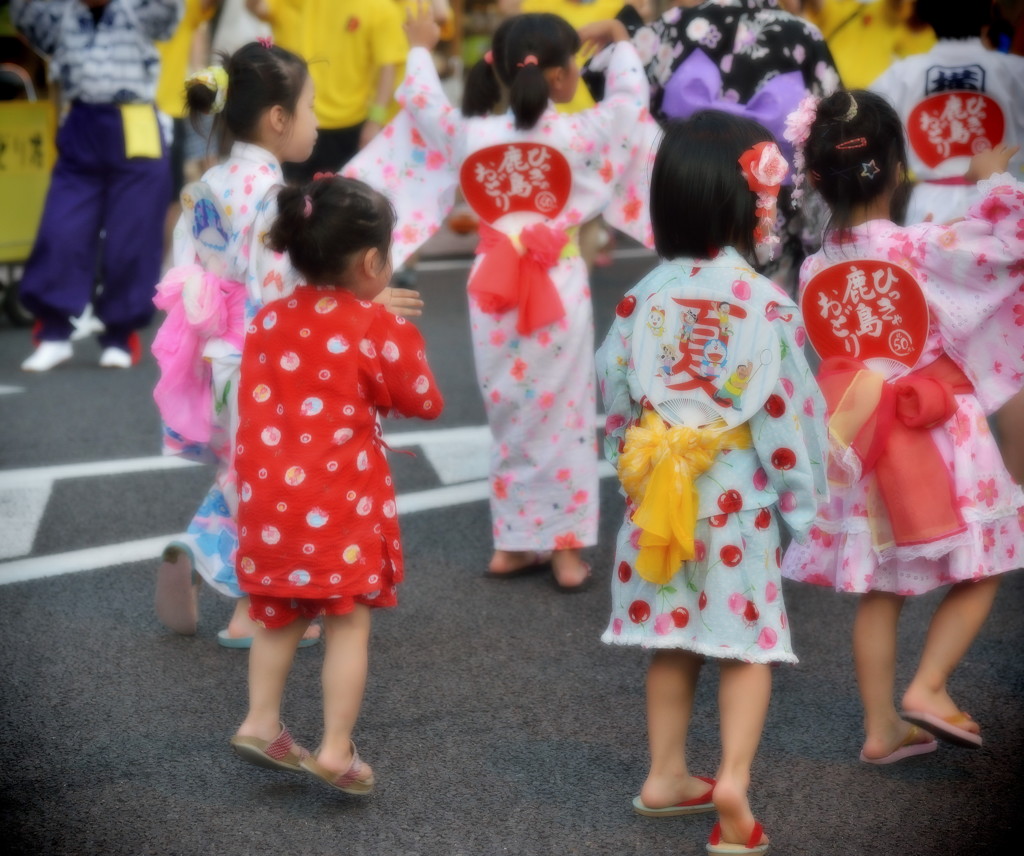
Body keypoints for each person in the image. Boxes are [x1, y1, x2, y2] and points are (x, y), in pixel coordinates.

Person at [346, 7, 656, 590]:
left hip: (492, 285)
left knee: (509, 409)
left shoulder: (474, 134)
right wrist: (618, 39)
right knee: (563, 414)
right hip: (554, 280)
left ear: (501, 71)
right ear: (562, 77)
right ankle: (563, 548)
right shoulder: (580, 132)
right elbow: (628, 103)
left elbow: (422, 103)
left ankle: (515, 542)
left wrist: (421, 46)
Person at [597, 112, 828, 855]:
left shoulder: (641, 297)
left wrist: (627, 467)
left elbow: (614, 391)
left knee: (674, 638)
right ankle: (731, 777)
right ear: (749, 204)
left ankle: (666, 773)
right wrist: (805, 511)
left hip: (660, 497)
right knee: (745, 647)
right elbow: (788, 419)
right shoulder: (767, 305)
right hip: (736, 507)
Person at [151, 39, 422, 646]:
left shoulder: (205, 186)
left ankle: (227, 580)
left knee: (247, 471)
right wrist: (360, 305)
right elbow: (281, 296)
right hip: (262, 360)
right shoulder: (275, 201)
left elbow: (185, 268)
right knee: (270, 480)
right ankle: (236, 589)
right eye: (312, 107)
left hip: (211, 352)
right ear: (278, 119)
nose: (318, 121)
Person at [781, 89, 1024, 764]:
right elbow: (1008, 244)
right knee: (988, 562)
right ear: (895, 171)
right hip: (938, 432)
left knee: (881, 591)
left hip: (864, 436)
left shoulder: (815, 268)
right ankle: (929, 685)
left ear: (820, 180)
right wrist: (993, 180)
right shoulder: (922, 248)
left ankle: (882, 727)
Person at [229, 174, 443, 792]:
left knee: (279, 616)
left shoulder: (268, 319)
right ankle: (334, 748)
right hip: (338, 500)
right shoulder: (374, 327)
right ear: (373, 260)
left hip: (268, 500)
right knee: (347, 622)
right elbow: (422, 400)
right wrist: (390, 329)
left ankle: (261, 719)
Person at [589, 0, 841, 295]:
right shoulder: (802, 34)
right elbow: (833, 127)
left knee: (685, 303)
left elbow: (613, 81)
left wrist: (625, 21)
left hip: (691, 189)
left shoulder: (674, 25)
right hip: (771, 203)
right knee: (768, 308)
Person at [12, 0, 183, 372]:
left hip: (135, 121)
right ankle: (54, 332)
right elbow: (25, 15)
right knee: (61, 230)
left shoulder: (137, 9)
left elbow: (169, 13)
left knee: (132, 237)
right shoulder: (61, 13)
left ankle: (121, 335)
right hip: (82, 124)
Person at [245, 0, 408, 179]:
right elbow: (258, 6)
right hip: (299, 118)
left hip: (349, 124)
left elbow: (388, 66)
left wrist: (375, 121)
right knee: (292, 195)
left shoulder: (380, 8)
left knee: (336, 200)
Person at [802, 0, 935, 90]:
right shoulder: (834, 5)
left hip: (873, 99)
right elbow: (816, 6)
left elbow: (898, 7)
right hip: (833, 93)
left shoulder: (886, 10)